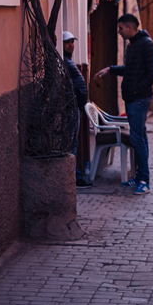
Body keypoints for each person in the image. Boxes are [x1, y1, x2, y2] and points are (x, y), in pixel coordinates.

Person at [93, 14, 153, 195]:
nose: (119, 32)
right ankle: (139, 177)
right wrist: (110, 69)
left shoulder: (146, 44)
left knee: (137, 139)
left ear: (130, 28)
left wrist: (137, 89)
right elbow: (130, 70)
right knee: (140, 138)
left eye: (121, 28)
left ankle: (144, 180)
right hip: (133, 99)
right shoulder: (134, 45)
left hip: (139, 99)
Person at [63, 31, 90, 188]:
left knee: (73, 141)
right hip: (71, 107)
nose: (71, 45)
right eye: (68, 42)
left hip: (75, 106)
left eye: (72, 42)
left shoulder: (69, 62)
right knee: (71, 142)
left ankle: (74, 175)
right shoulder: (65, 62)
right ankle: (72, 177)